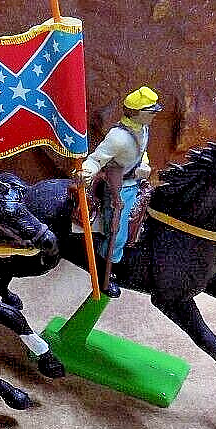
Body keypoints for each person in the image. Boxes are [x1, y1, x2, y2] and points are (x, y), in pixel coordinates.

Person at [79, 85, 161, 297]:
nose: (154, 115)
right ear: (137, 112)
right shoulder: (118, 137)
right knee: (117, 232)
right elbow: (97, 159)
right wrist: (86, 172)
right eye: (151, 111)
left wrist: (144, 165)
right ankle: (106, 269)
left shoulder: (143, 129)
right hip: (119, 188)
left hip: (136, 182)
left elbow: (142, 152)